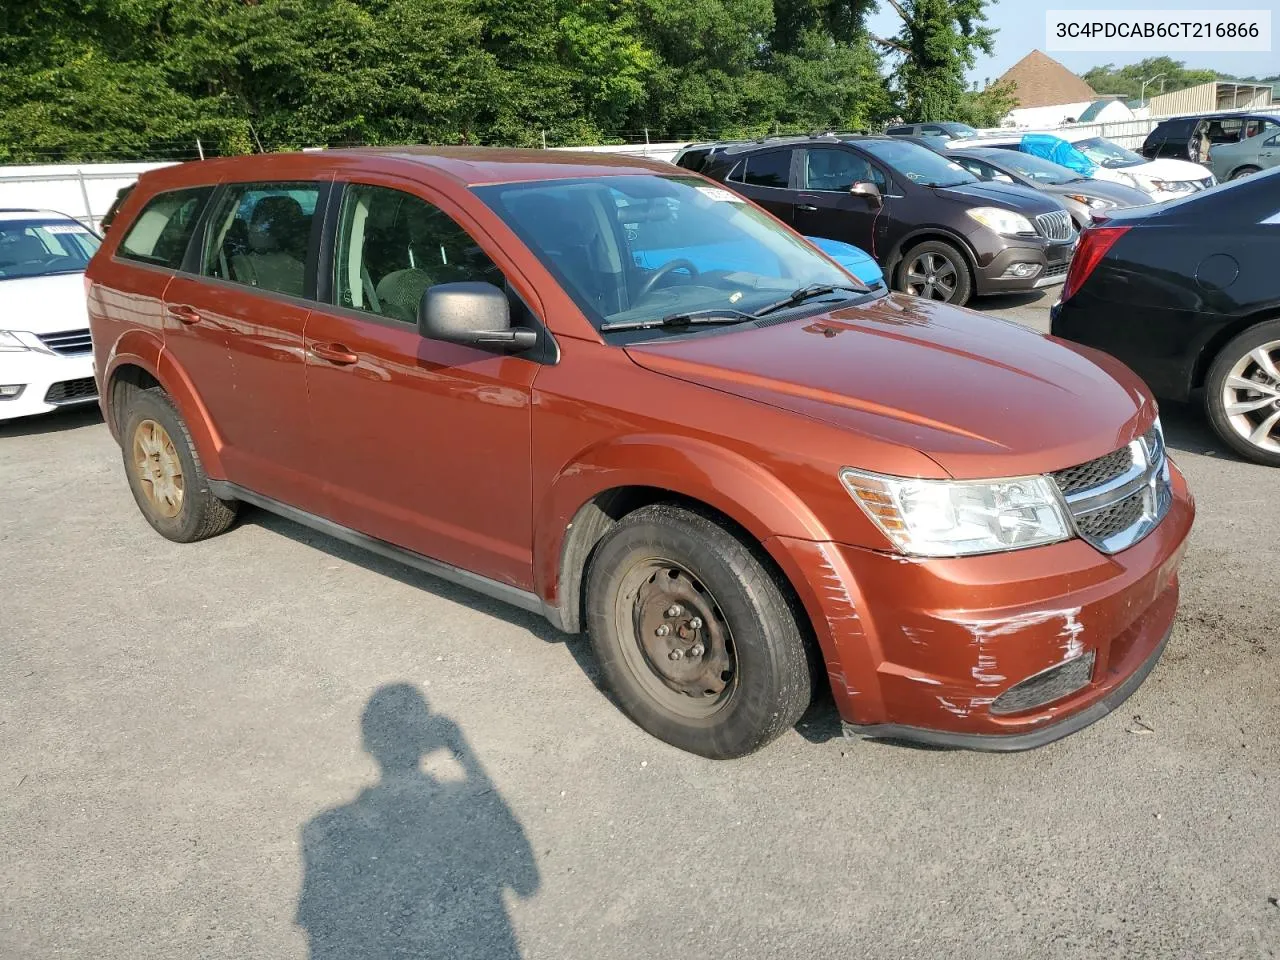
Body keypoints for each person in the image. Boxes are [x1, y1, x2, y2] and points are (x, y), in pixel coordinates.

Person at [297, 684, 539, 960]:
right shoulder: (461, 808)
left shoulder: (325, 828)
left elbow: (326, 931)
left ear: (369, 745)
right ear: (424, 743)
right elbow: (526, 881)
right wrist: (464, 752)